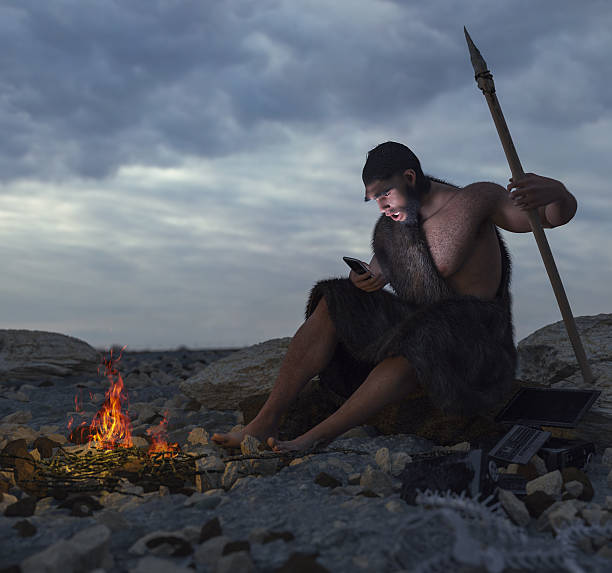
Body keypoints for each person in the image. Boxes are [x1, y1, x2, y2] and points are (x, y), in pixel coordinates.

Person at [212, 142, 578, 452]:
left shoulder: (475, 200)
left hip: (475, 336)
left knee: (423, 336)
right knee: (335, 298)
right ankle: (265, 422)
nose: (382, 206)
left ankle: (315, 438)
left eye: (385, 194)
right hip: (420, 323)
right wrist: (365, 282)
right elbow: (378, 273)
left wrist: (558, 194)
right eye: (374, 199)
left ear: (409, 178)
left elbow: (546, 218)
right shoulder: (391, 228)